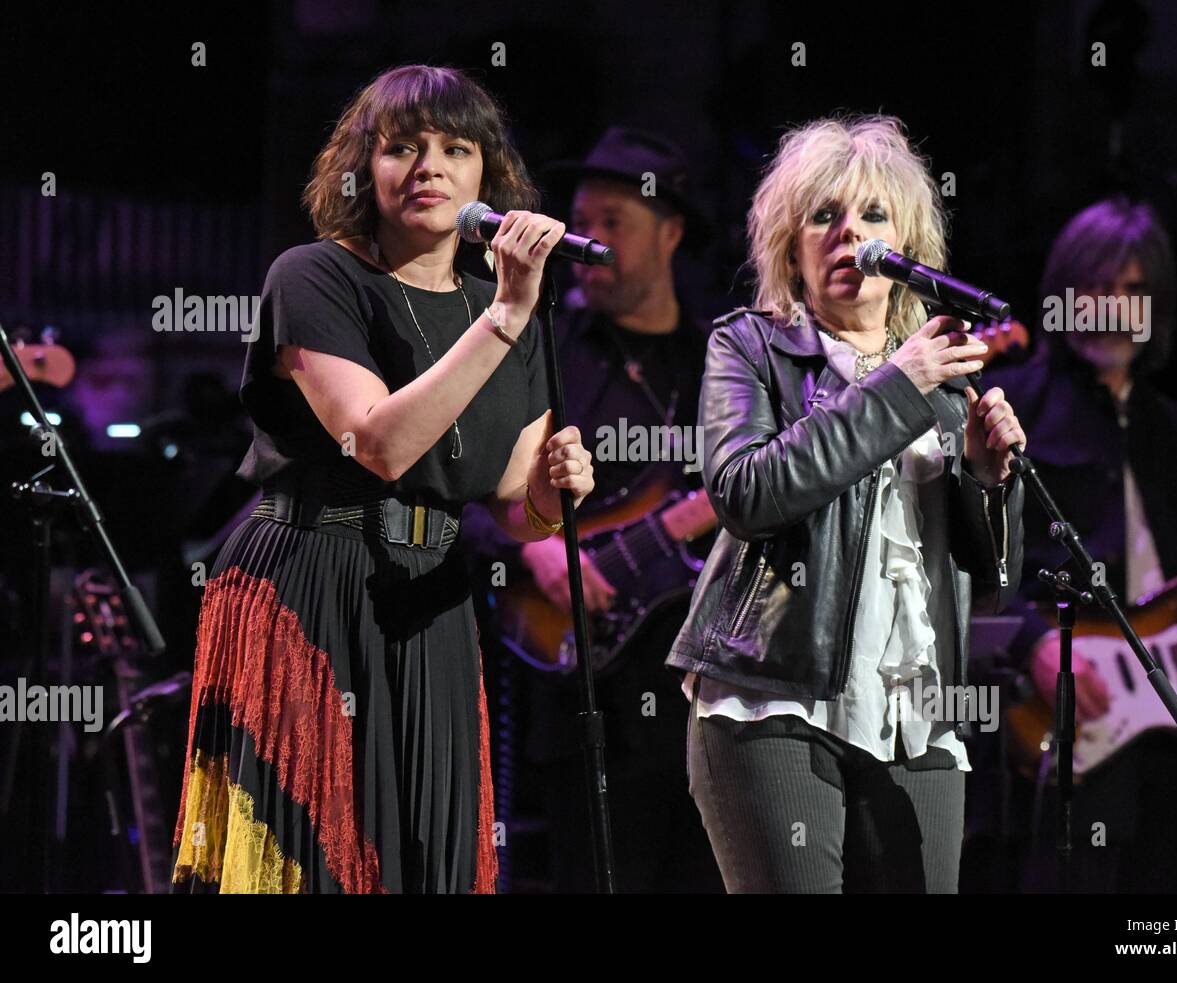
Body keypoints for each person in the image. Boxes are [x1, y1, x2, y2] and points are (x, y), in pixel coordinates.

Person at [169, 64, 595, 894]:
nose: (428, 165)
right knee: (312, 855)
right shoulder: (315, 275)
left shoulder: (505, 305)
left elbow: (515, 501)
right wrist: (507, 316)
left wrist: (553, 490)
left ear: (488, 179)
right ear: (365, 171)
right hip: (310, 581)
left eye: (454, 148)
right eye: (403, 147)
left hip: (429, 597)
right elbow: (378, 444)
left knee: (423, 853)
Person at [666, 115, 1027, 893]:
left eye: (871, 216)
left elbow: (993, 575)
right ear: (789, 246)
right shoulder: (751, 348)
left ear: (907, 244)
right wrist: (896, 385)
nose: (848, 235)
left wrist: (990, 480)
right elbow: (747, 492)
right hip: (771, 697)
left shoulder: (943, 378)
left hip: (915, 706)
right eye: (823, 217)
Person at [981, 197, 1177, 893]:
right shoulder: (1008, 411)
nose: (1114, 307)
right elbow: (958, 564)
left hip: (1171, 768)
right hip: (1057, 743)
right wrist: (1030, 640)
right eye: (1097, 287)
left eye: (1134, 290)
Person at [463, 126, 724, 892]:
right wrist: (528, 549)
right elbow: (461, 486)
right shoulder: (545, 341)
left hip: (696, 679)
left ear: (671, 232)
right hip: (582, 694)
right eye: (587, 221)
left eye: (616, 223)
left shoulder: (718, 359)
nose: (593, 240)